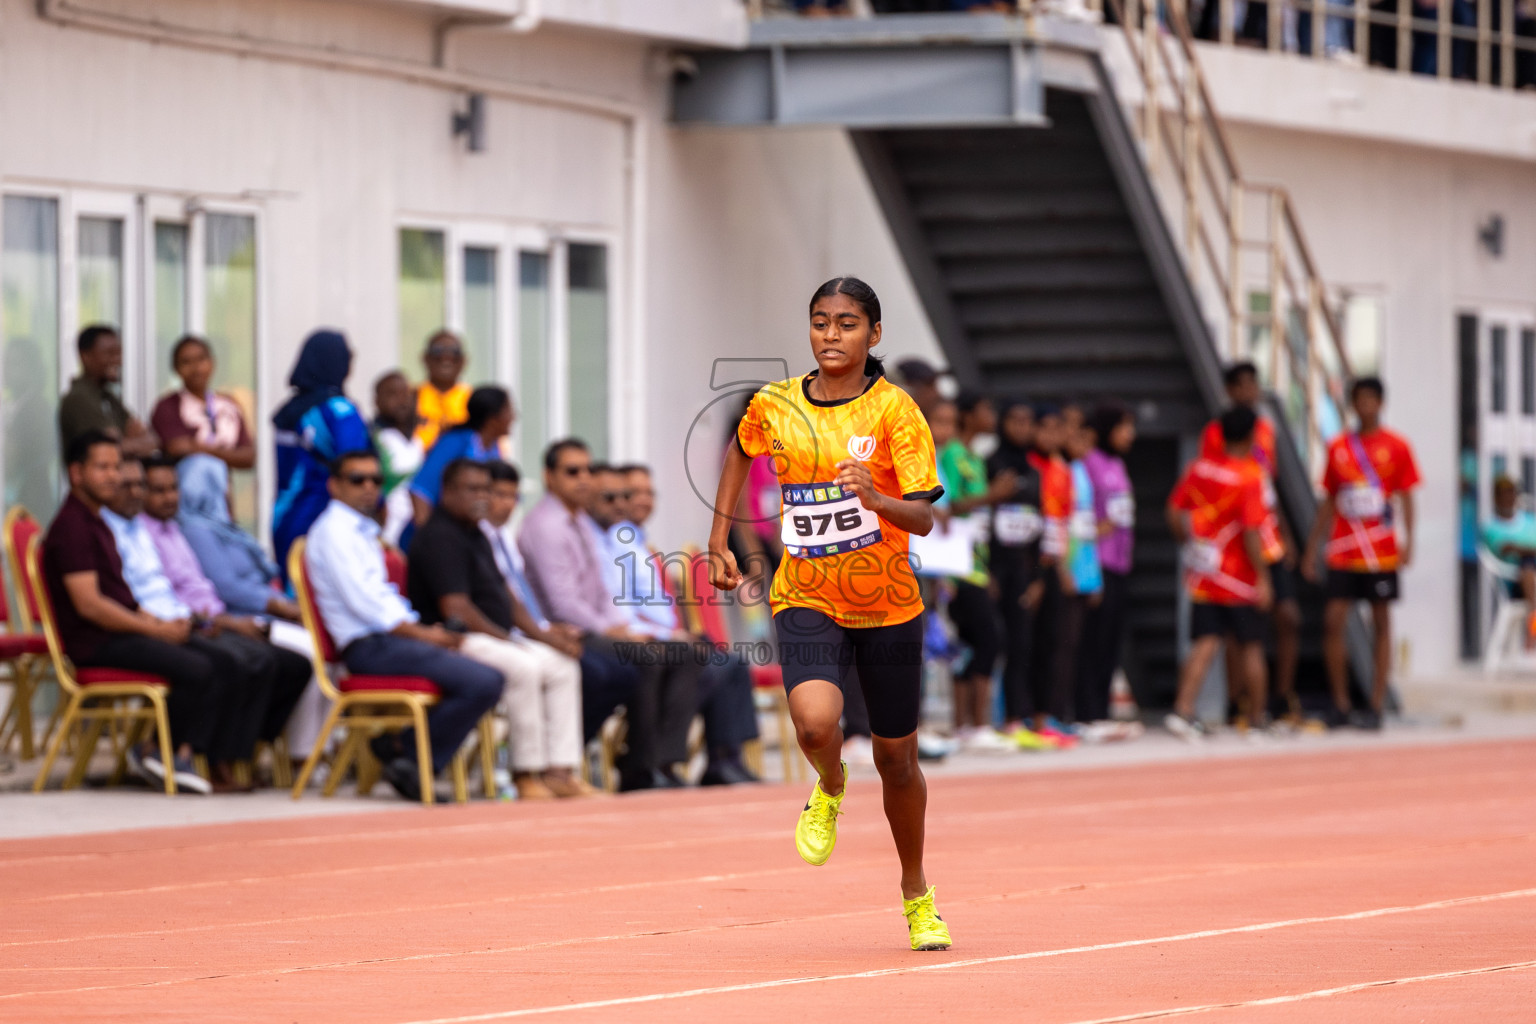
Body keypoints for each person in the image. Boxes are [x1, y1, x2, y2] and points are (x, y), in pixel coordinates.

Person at [708, 276, 952, 952]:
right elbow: (740, 450)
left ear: (874, 335)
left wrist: (877, 499)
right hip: (807, 594)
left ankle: (916, 892)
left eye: (846, 323)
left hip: (889, 604)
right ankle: (831, 785)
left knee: (898, 760)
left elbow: (925, 518)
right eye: (820, 322)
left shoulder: (895, 411)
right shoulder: (775, 403)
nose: (830, 335)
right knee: (817, 727)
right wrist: (718, 536)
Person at [305, 450, 502, 800]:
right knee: (484, 680)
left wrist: (428, 634)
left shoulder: (363, 531)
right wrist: (426, 634)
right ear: (334, 486)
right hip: (368, 647)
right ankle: (409, 757)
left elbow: (385, 600)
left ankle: (399, 749)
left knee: (484, 674)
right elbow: (366, 605)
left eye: (376, 480)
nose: (369, 488)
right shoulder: (334, 532)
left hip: (390, 640)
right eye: (357, 479)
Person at [42, 432, 221, 793]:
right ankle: (160, 751)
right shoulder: (72, 527)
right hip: (94, 643)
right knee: (197, 667)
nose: (112, 476)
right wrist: (153, 630)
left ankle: (170, 751)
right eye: (101, 468)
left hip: (120, 630)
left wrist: (158, 622)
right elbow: (90, 605)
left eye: (115, 467)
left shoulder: (98, 521)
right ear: (76, 474)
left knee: (213, 654)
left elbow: (121, 595)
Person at [407, 458, 594, 799]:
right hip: (452, 640)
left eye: (486, 490)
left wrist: (547, 638)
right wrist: (510, 640)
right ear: (447, 492)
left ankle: (560, 771)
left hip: (495, 637)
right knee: (524, 667)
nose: (482, 497)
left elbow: (509, 600)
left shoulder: (476, 533)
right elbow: (457, 608)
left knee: (562, 665)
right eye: (472, 489)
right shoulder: (439, 535)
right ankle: (526, 774)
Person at [519, 439, 699, 792]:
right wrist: (613, 629)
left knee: (679, 655)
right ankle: (638, 767)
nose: (583, 478)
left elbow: (603, 590)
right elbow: (562, 603)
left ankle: (657, 761)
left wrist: (619, 625)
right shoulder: (546, 527)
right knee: (644, 659)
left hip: (595, 629)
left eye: (587, 470)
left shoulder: (580, 523)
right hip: (564, 631)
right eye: (572, 471)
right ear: (549, 477)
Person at [102, 455, 281, 791]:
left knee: (264, 660)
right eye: (129, 485)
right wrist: (186, 622)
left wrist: (195, 620)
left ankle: (222, 758)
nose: (137, 494)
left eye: (140, 485)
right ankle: (173, 753)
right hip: (145, 625)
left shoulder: (147, 528)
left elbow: (172, 587)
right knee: (223, 662)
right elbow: (121, 598)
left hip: (179, 618)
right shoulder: (114, 530)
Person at [140, 455, 310, 779]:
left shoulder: (173, 528)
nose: (169, 497)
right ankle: (217, 759)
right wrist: (232, 621)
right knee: (243, 662)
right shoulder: (175, 530)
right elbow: (181, 597)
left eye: (173, 489)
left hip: (213, 618)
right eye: (158, 490)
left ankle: (245, 750)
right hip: (189, 622)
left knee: (292, 665)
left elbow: (203, 588)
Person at [593, 463, 761, 786]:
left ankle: (724, 758)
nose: (642, 500)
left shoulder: (640, 542)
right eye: (632, 494)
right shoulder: (614, 542)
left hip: (663, 636)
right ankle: (656, 761)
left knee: (732, 664)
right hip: (644, 640)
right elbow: (622, 610)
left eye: (648, 493)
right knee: (700, 665)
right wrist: (670, 634)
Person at [478, 460, 646, 765]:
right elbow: (557, 601)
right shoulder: (533, 528)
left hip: (537, 628)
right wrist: (546, 632)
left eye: (512, 497)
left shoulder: (505, 537)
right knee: (602, 669)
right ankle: (537, 765)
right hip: (509, 633)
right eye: (496, 495)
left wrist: (547, 629)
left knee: (619, 669)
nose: (505, 504)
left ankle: (568, 762)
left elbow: (600, 589)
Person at [178, 454, 330, 766]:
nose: (229, 492)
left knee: (329, 648)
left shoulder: (224, 528)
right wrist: (279, 605)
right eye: (224, 484)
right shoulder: (196, 530)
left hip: (265, 614)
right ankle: (303, 754)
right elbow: (226, 586)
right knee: (312, 651)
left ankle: (320, 746)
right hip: (237, 617)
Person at [1302, 376, 1420, 730]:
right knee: (1333, 621)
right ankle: (1340, 703)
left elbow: (1407, 496)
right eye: (1359, 400)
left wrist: (1408, 541)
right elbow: (1328, 500)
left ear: (1381, 403)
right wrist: (1312, 548)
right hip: (1343, 549)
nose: (1365, 406)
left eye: (1371, 399)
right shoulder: (1339, 447)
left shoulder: (1397, 446)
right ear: (1352, 404)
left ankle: (1376, 703)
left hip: (1380, 552)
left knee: (1381, 622)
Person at [1200, 361, 1301, 725]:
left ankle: (1281, 697)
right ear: (1229, 391)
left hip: (1268, 534)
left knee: (1288, 616)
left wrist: (1286, 533)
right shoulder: (1216, 433)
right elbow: (1211, 486)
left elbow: (1269, 489)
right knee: (1235, 627)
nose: (1247, 392)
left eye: (1252, 385)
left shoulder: (1267, 432)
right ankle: (1236, 700)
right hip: (1236, 542)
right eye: (1239, 386)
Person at [1165, 406, 1273, 742]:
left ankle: (1183, 710)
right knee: (1251, 647)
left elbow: (1173, 510)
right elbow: (1253, 532)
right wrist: (1264, 577)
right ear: (1252, 436)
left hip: (1206, 574)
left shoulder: (1198, 468)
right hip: (1238, 576)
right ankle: (1256, 720)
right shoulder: (1249, 476)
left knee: (1205, 643)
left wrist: (1187, 544)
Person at [934, 393, 1009, 751]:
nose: (991, 415)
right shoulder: (948, 456)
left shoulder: (973, 458)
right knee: (986, 639)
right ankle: (975, 725)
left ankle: (967, 726)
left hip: (975, 563)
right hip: (954, 564)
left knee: (971, 642)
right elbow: (949, 507)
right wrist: (993, 495)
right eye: (986, 408)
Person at [985, 400, 1056, 751]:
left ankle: (1021, 717)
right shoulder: (991, 464)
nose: (1023, 427)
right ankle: (1002, 719)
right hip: (996, 571)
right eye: (1015, 419)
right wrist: (988, 573)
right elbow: (983, 525)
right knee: (995, 642)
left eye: (1028, 421)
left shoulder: (1033, 471)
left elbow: (1038, 527)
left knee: (1023, 645)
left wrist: (1040, 578)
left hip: (1025, 574)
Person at [272, 329, 372, 576]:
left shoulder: (290, 411)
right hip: (326, 516)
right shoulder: (339, 411)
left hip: (285, 514)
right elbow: (357, 467)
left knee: (295, 597)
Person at [1078, 403, 1137, 730]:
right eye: (1124, 427)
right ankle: (1087, 712)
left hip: (1120, 562)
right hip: (1096, 562)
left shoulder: (1118, 464)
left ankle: (1101, 711)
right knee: (1093, 639)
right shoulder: (1090, 463)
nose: (1130, 435)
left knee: (1112, 639)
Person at [1024, 404, 1077, 746]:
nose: (1051, 436)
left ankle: (1048, 714)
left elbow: (1063, 522)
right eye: (1045, 429)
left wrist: (1064, 566)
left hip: (1056, 561)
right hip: (1032, 563)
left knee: (1054, 641)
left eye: (1057, 429)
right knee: (1028, 641)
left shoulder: (1062, 470)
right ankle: (1026, 714)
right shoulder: (1029, 467)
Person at [1056, 408, 1103, 728]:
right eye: (1073, 432)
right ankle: (1055, 714)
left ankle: (1067, 713)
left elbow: (1086, 526)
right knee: (1059, 644)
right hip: (1066, 567)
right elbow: (1059, 524)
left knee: (1075, 645)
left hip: (1085, 567)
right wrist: (1064, 569)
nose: (1080, 440)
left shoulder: (1080, 470)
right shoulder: (1059, 471)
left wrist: (1094, 576)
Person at [149, 335, 257, 472]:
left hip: (223, 489)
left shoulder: (228, 404)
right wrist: (227, 454)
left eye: (201, 359)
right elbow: (176, 448)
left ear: (212, 363)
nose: (196, 369)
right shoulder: (168, 406)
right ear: (176, 368)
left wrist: (198, 448)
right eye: (186, 362)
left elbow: (248, 457)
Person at [410, 385, 515, 526]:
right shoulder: (455, 442)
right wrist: (427, 536)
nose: (513, 417)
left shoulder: (494, 448)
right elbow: (420, 490)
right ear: (492, 418)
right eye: (507, 411)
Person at [58, 325, 157, 459]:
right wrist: (127, 440)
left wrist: (125, 440)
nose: (118, 360)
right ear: (85, 356)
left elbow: (152, 440)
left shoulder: (107, 396)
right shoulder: (80, 398)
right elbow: (112, 448)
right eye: (109, 353)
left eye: (119, 353)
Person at [1481, 476, 1536, 644]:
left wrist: (1520, 548)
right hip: (1512, 582)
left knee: (1528, 564)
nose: (1509, 497)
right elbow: (1505, 549)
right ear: (1496, 497)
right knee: (1526, 566)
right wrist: (1524, 549)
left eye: (1512, 492)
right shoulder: (1491, 527)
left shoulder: (1529, 521)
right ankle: (1533, 631)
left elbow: (1516, 547)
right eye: (1505, 493)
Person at [373, 370, 423, 548]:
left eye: (406, 394)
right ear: (377, 400)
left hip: (416, 535)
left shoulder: (417, 441)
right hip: (386, 538)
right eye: (393, 394)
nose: (402, 401)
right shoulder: (373, 440)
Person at [414, 330, 472, 451]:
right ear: (425, 358)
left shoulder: (474, 400)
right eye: (437, 350)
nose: (446, 356)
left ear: (464, 360)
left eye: (454, 352)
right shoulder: (410, 398)